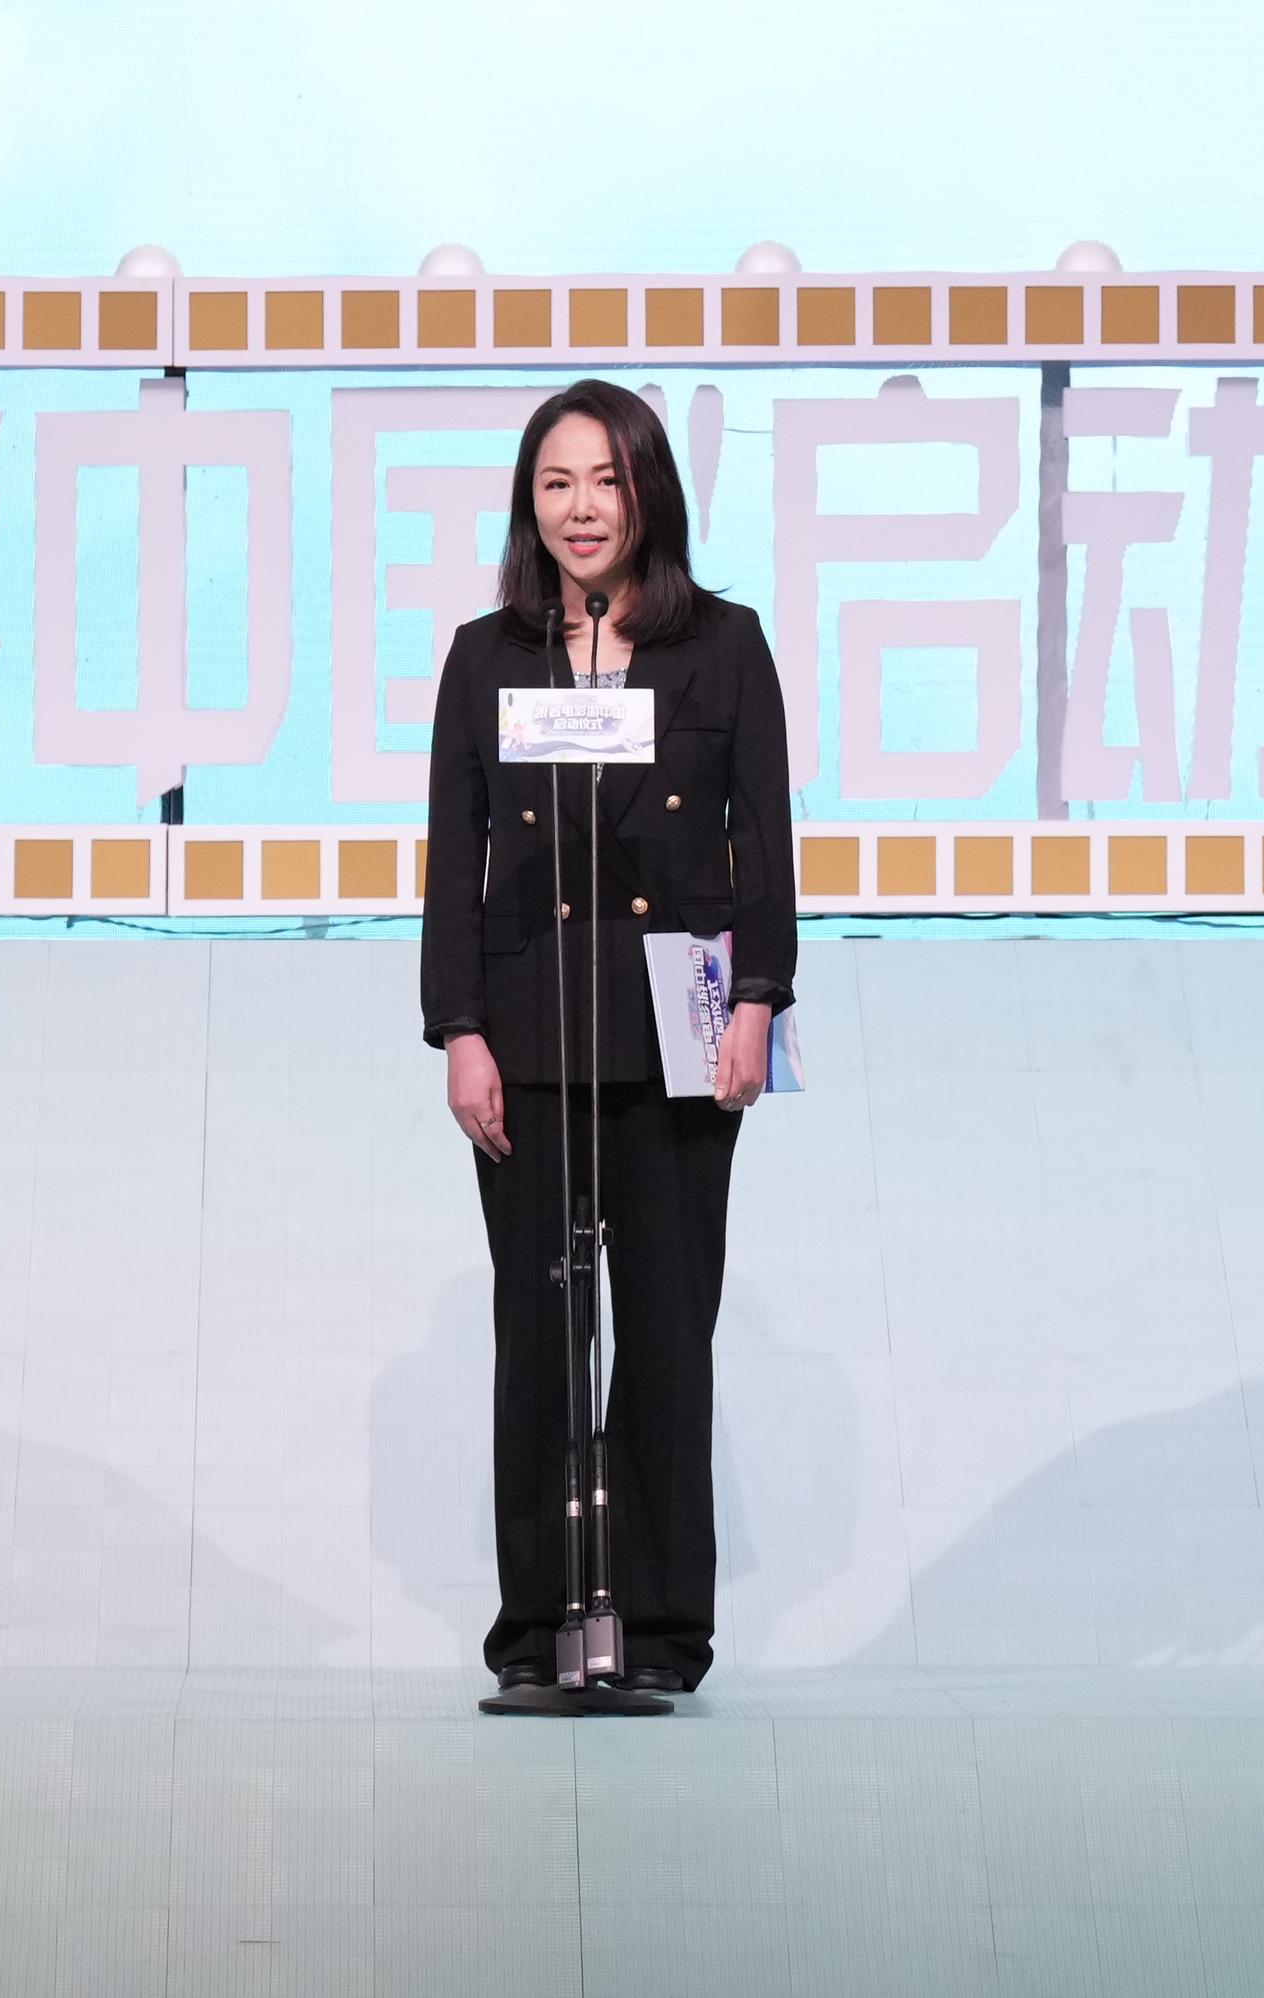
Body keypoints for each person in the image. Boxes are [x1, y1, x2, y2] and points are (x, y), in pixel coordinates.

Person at [419, 378, 794, 1699]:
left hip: (680, 1025)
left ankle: (663, 1628)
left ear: (649, 493)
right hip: (529, 1032)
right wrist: (460, 1030)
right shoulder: (487, 656)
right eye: (555, 483)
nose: (582, 508)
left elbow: (764, 847)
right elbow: (454, 859)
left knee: (669, 1328)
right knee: (539, 1329)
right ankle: (536, 1632)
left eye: (606, 480)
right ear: (529, 504)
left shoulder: (726, 646)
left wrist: (757, 1003)